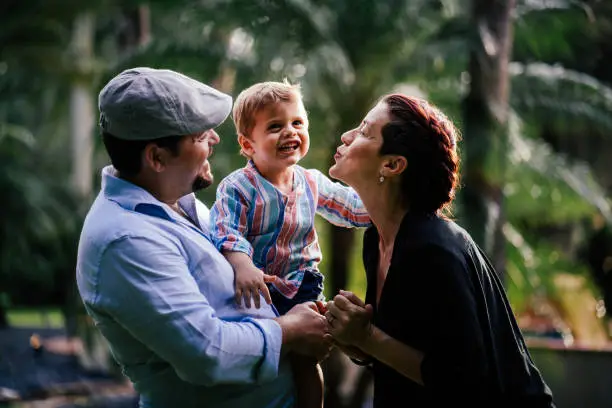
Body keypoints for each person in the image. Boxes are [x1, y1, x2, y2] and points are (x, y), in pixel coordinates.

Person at [75, 67, 332, 408]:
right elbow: (207, 352)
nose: (215, 139)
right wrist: (291, 330)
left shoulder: (177, 201)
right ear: (157, 157)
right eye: (199, 136)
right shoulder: (125, 240)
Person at [323, 93, 557, 407]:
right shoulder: (376, 240)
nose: (346, 136)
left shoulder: (433, 251)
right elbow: (407, 348)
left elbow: (463, 379)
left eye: (364, 132)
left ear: (392, 165)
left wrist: (365, 336)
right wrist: (353, 339)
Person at [209, 80, 370, 408]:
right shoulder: (238, 188)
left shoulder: (311, 182)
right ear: (247, 144)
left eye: (298, 123)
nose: (290, 132)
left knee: (308, 358)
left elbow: (350, 208)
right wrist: (242, 263)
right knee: (266, 355)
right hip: (259, 290)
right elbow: (225, 229)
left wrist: (389, 206)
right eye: (275, 126)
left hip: (303, 284)